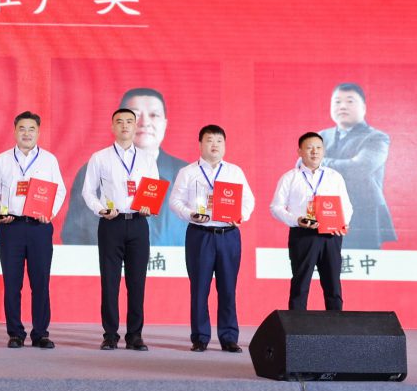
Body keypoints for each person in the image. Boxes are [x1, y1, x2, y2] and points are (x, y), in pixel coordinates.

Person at [63, 87, 187, 246]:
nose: (144, 123)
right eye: (135, 115)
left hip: (167, 262)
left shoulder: (184, 174)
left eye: (154, 115)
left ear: (165, 123)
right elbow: (74, 234)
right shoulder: (96, 165)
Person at [169, 125, 255, 353]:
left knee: (228, 288)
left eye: (219, 141)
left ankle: (229, 337)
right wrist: (190, 214)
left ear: (225, 145)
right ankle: (200, 337)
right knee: (199, 288)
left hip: (228, 235)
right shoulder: (188, 172)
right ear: (200, 144)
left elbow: (249, 200)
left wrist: (241, 215)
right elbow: (174, 201)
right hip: (200, 234)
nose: (214, 145)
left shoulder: (234, 172)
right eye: (209, 140)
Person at [0, 111, 66, 349]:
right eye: (22, 128)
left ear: (38, 132)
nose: (27, 133)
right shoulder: (3, 160)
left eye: (31, 129)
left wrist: (49, 212)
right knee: (12, 283)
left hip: (39, 227)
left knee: (40, 282)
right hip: (11, 227)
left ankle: (40, 333)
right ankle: (15, 333)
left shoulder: (49, 160)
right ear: (15, 131)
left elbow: (60, 190)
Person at [82, 108, 160, 351]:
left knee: (137, 282)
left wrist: (150, 206)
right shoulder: (100, 157)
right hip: (111, 223)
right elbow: (88, 191)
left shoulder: (147, 158)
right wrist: (100, 209)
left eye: (129, 121)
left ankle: (135, 335)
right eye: (119, 122)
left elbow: (154, 188)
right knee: (110, 281)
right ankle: (110, 334)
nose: (125, 125)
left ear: (135, 126)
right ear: (112, 127)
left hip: (138, 223)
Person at [270, 132, 353, 311]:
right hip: (303, 234)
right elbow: (276, 207)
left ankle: (336, 326)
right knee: (300, 284)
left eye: (318, 148)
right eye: (309, 148)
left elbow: (346, 206)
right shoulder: (290, 177)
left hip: (330, 234)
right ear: (299, 151)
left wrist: (342, 222)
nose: (314, 152)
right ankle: (296, 326)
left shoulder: (334, 176)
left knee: (333, 285)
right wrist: (296, 220)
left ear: (323, 150)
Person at [319, 83, 396, 249]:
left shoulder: (376, 137)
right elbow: (302, 166)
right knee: (326, 259)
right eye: (337, 101)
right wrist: (347, 163)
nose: (342, 106)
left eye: (350, 101)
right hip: (327, 209)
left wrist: (321, 162)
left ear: (364, 108)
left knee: (360, 261)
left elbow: (359, 168)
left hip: (363, 212)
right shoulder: (321, 136)